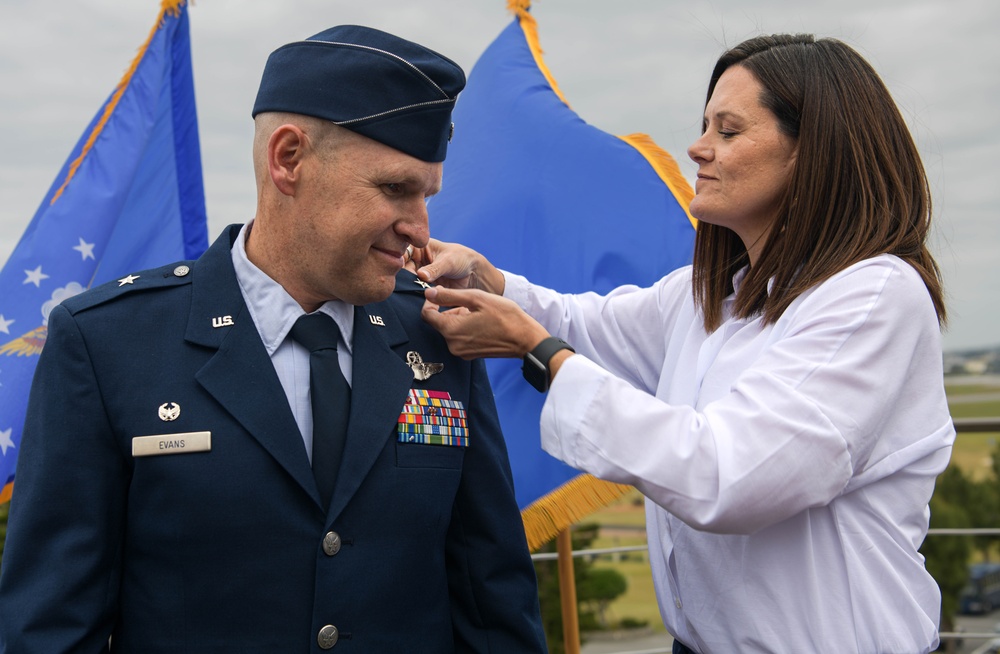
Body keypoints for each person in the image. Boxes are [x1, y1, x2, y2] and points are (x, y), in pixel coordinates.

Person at [0, 25, 546, 653]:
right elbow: (53, 628)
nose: (420, 229)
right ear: (288, 159)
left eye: (427, 194)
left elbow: (491, 597)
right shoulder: (107, 343)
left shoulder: (436, 333)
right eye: (395, 189)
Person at [414, 33, 954, 653]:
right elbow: (586, 324)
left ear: (812, 153)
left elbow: (731, 475)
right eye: (706, 127)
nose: (698, 148)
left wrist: (541, 354)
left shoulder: (875, 295)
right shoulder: (713, 295)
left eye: (728, 131)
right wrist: (488, 279)